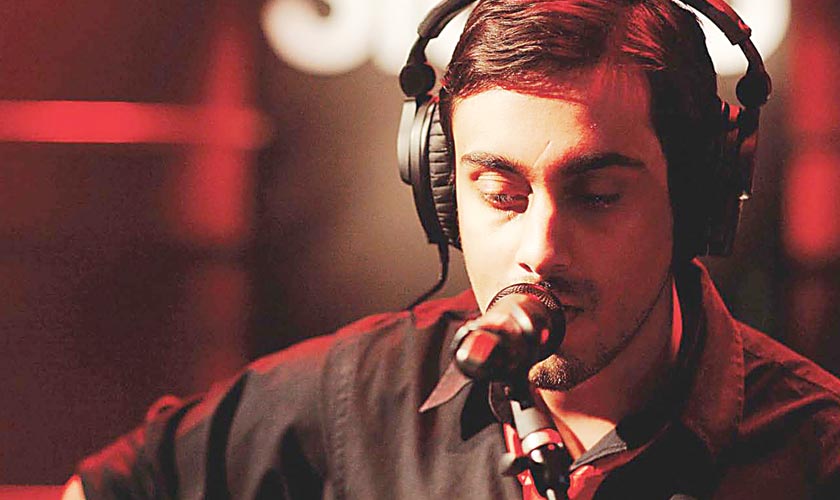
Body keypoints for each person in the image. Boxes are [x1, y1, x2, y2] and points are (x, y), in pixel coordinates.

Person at [64, 0, 840, 498]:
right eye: (501, 194)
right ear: (440, 185)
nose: (540, 250)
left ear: (696, 195)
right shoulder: (356, 395)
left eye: (598, 196)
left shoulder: (816, 453)